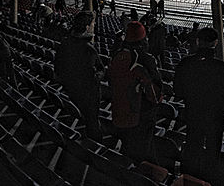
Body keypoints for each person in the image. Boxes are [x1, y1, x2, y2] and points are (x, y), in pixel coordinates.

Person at [173, 27, 224, 181]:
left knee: (192, 145)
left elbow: (178, 91)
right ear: (215, 43)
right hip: (215, 115)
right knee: (213, 149)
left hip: (193, 113)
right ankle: (210, 179)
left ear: (197, 41)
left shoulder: (185, 63)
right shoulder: (221, 67)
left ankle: (188, 179)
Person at [108, 21, 162, 164]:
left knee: (128, 146)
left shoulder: (117, 55)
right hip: (139, 115)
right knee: (143, 152)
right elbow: (155, 93)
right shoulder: (144, 59)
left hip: (119, 111)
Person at [55, 11, 104, 140]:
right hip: (88, 93)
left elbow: (58, 69)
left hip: (71, 90)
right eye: (93, 23)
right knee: (92, 120)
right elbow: (97, 71)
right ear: (87, 27)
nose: (94, 25)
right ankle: (95, 146)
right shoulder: (88, 49)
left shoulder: (65, 44)